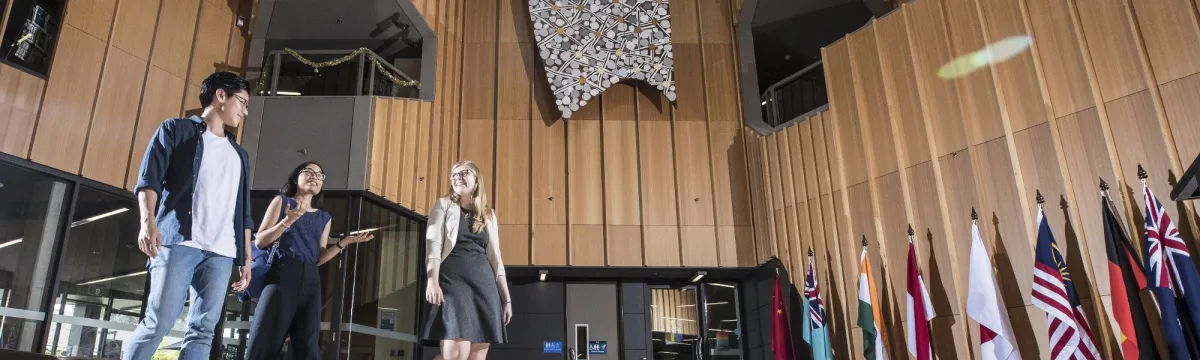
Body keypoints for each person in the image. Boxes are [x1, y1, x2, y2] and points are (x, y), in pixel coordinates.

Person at [125, 71, 255, 360]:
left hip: (221, 253)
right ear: (221, 95)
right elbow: (149, 180)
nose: (244, 111)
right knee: (157, 323)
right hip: (179, 243)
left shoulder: (239, 155)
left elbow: (243, 212)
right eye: (242, 102)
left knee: (203, 331)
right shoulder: (175, 129)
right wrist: (148, 223)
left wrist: (246, 258)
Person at [245, 161, 374, 359]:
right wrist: (286, 221)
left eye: (319, 175)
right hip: (282, 274)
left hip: (311, 280)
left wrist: (345, 242)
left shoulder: (324, 218)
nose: (314, 176)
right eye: (308, 172)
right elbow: (260, 241)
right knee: (266, 341)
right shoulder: (282, 202)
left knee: (309, 345)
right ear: (296, 178)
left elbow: (318, 258)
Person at [422, 160, 513, 360]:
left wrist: (506, 299)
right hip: (453, 282)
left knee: (477, 355)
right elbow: (433, 245)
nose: (458, 178)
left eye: (464, 173)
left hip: (484, 285)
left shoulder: (489, 214)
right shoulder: (443, 205)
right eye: (454, 175)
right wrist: (432, 280)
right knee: (455, 354)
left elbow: (496, 258)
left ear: (476, 179)